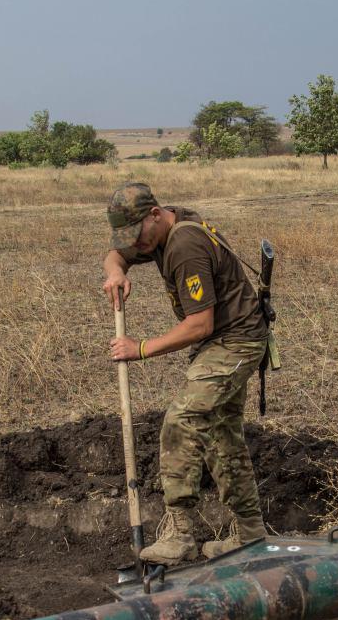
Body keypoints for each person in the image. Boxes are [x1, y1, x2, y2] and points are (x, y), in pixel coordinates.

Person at [102, 182, 269, 565]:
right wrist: (116, 273)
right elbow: (116, 254)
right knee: (222, 437)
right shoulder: (161, 229)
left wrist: (140, 348)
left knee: (182, 421)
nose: (136, 244)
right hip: (225, 341)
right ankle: (251, 535)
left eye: (138, 234)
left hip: (234, 342)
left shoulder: (184, 246)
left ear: (156, 214)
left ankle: (180, 535)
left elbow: (199, 325)